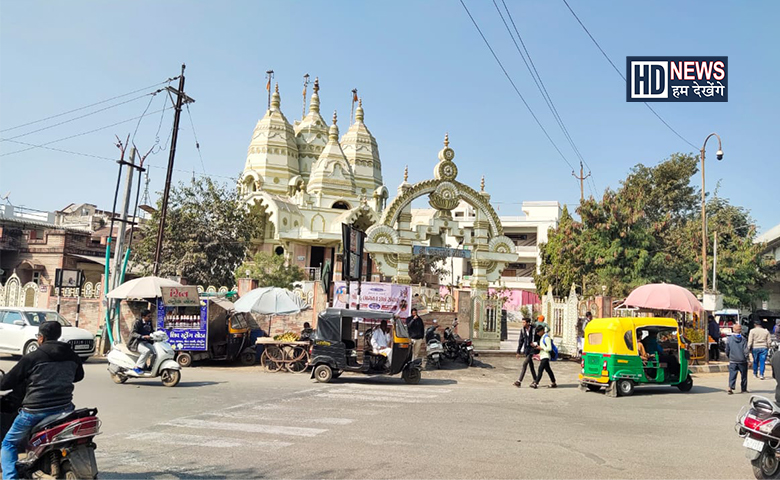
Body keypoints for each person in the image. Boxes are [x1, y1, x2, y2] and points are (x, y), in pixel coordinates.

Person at [1, 321, 84, 479]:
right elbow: (78, 376)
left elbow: (6, 383)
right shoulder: (72, 355)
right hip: (65, 409)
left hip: (34, 411)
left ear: (41, 338)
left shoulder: (33, 357)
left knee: (8, 443)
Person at [726, 324, 750, 394]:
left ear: (733, 330)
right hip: (742, 360)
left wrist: (729, 356)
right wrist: (748, 359)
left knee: (732, 374)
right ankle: (743, 389)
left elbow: (727, 350)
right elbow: (746, 350)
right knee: (744, 375)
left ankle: (730, 387)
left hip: (733, 360)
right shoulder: (743, 339)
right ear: (740, 330)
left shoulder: (729, 339)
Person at [530, 325, 557, 389]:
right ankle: (553, 382)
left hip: (546, 356)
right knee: (548, 370)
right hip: (542, 355)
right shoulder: (542, 337)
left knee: (540, 369)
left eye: (538, 332)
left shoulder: (546, 338)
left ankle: (536, 383)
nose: (537, 333)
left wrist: (541, 348)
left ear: (542, 331)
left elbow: (549, 348)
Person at [129, 308, 154, 375]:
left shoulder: (149, 322)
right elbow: (133, 333)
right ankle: (137, 367)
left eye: (150, 316)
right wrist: (142, 336)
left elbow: (152, 331)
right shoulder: (137, 322)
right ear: (143, 317)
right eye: (148, 316)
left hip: (146, 342)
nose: (150, 317)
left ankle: (151, 366)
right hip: (136, 342)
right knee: (146, 351)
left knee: (156, 351)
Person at [513, 317, 537, 388]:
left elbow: (538, 338)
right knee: (531, 366)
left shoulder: (534, 330)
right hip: (527, 350)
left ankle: (519, 381)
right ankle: (535, 379)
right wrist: (518, 351)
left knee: (525, 364)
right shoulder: (523, 330)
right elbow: (521, 341)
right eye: (522, 322)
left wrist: (535, 344)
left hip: (532, 350)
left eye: (524, 322)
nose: (523, 323)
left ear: (528, 323)